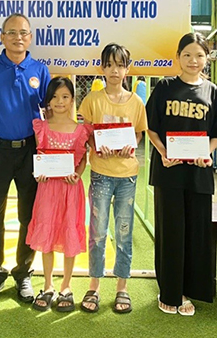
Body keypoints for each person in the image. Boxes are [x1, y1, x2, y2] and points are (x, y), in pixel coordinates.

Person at [0, 13, 51, 303]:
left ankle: (23, 273)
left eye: (23, 33)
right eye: (12, 32)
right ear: (2, 37)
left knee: (29, 215)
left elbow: (51, 111)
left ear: (31, 37)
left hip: (30, 151)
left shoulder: (39, 69)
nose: (18, 37)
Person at [145, 33, 217, 316]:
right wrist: (163, 152)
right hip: (169, 173)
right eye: (188, 55)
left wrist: (208, 153)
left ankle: (191, 289)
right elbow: (151, 127)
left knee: (197, 232)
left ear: (207, 59)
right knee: (171, 232)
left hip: (199, 174)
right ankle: (170, 292)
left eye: (200, 55)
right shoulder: (166, 86)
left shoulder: (212, 91)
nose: (194, 61)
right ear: (178, 57)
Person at [77, 43, 148, 314]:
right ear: (102, 68)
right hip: (101, 175)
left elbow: (139, 134)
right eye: (109, 65)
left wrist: (131, 145)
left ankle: (122, 287)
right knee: (96, 232)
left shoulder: (136, 102)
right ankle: (94, 285)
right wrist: (97, 142)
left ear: (127, 69)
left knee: (124, 233)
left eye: (120, 65)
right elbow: (86, 131)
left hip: (127, 176)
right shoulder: (93, 101)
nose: (115, 70)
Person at [26, 77, 92, 312]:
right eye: (54, 97)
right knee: (47, 233)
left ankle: (66, 285)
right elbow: (40, 156)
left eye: (65, 96)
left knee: (68, 233)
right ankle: (47, 284)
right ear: (48, 101)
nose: (59, 101)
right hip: (47, 190)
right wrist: (39, 173)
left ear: (73, 99)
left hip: (70, 189)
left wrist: (77, 173)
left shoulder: (81, 129)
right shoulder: (40, 127)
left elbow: (82, 158)